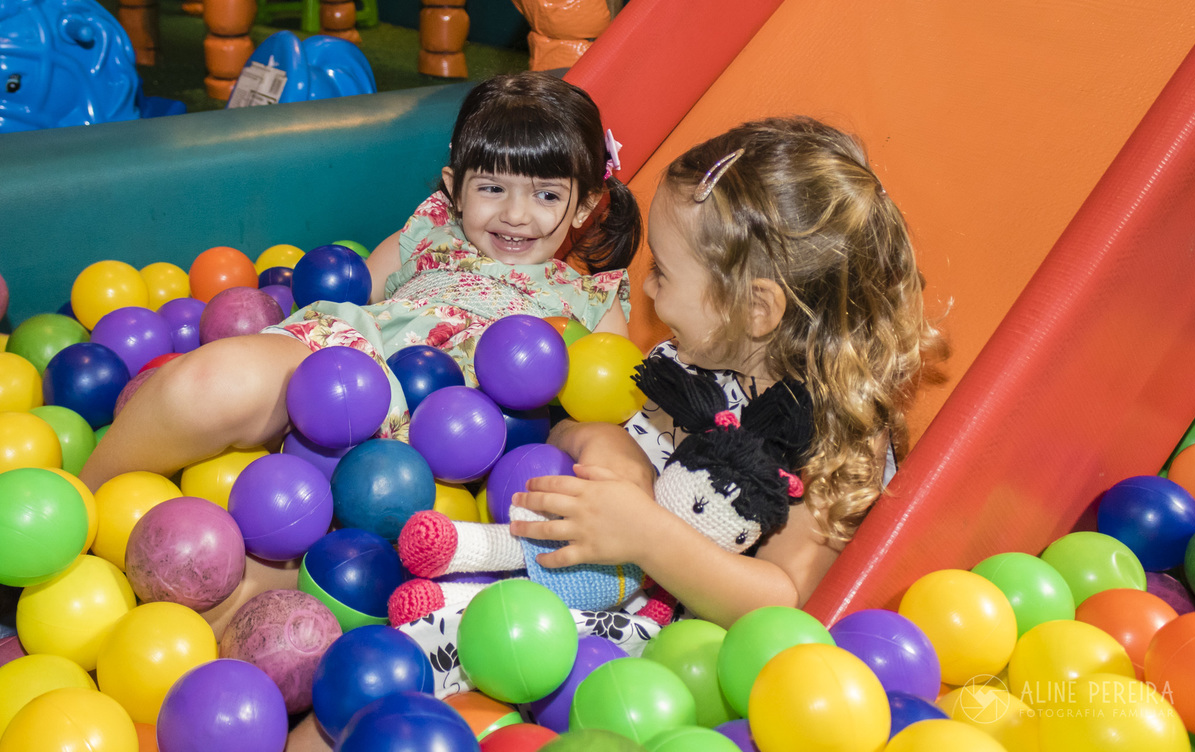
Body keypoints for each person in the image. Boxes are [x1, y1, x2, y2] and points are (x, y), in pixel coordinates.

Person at [79, 71, 642, 492]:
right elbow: (356, 292)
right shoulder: (430, 232)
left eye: (546, 195)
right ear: (454, 187)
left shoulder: (589, 299)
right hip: (346, 363)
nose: (515, 215)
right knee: (210, 381)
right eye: (492, 188)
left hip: (463, 438)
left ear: (584, 204)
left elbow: (608, 400)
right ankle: (86, 496)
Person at [507, 116, 949, 629]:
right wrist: (601, 440)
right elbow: (561, 429)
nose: (646, 290)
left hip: (696, 645)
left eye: (662, 273)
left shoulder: (833, 433)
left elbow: (784, 602)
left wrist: (647, 536)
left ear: (755, 309)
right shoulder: (693, 362)